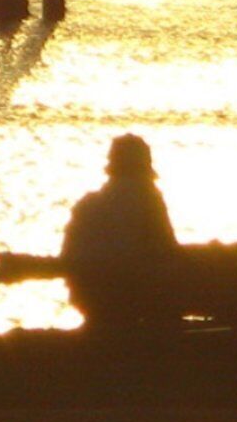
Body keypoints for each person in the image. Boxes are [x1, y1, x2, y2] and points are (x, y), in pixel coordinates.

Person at [62, 133, 184, 329]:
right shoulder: (148, 198)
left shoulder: (88, 205)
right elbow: (167, 248)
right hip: (131, 299)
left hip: (91, 301)